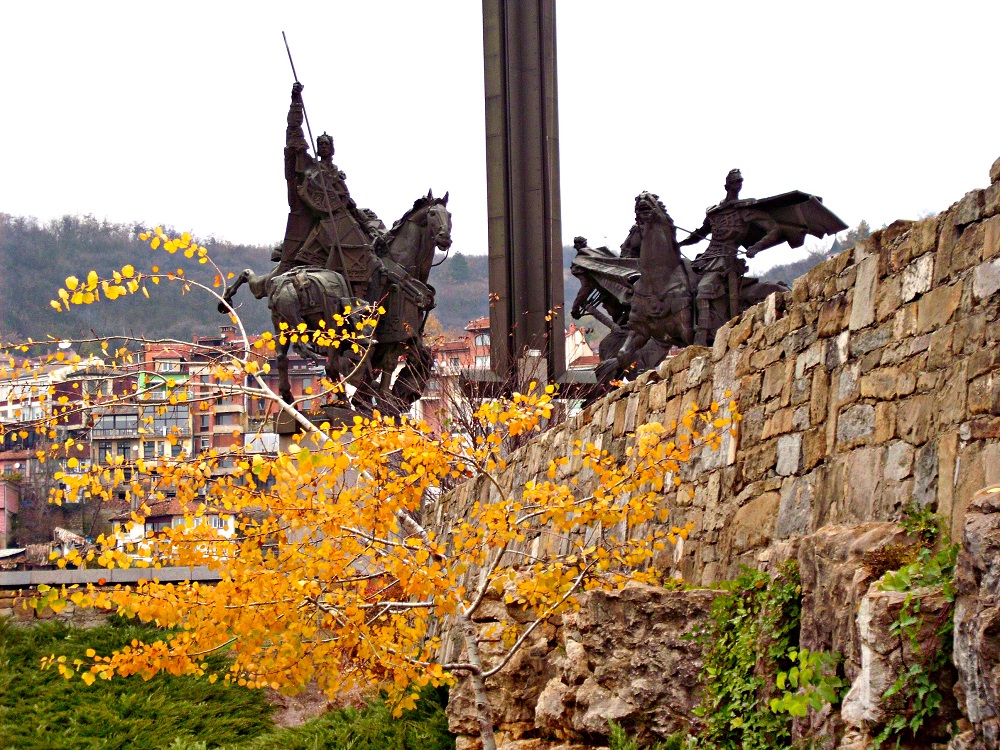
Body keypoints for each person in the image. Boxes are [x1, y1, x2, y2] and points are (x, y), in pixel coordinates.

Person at [275, 82, 375, 280]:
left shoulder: (336, 174)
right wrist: (296, 102)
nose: (323, 146)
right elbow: (294, 133)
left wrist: (368, 226)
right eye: (320, 144)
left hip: (340, 223)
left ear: (332, 148)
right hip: (319, 224)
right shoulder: (310, 167)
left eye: (326, 144)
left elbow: (347, 203)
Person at [678, 169, 781, 345]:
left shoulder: (745, 210)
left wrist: (756, 247)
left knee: (704, 289)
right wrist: (680, 244)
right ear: (726, 185)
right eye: (734, 182)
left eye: (740, 181)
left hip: (726, 260)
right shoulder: (715, 212)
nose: (738, 185)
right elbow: (700, 233)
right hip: (705, 258)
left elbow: (775, 229)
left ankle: (702, 336)